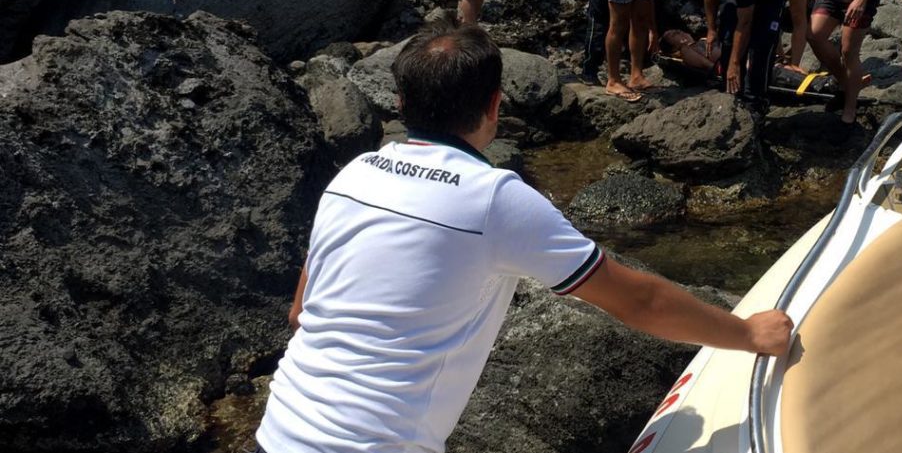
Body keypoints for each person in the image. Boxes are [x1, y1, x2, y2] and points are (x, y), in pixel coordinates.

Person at [254, 25, 794, 453]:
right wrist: (748, 334)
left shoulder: (354, 174)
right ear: (495, 105)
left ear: (400, 101)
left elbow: (301, 313)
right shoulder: (493, 197)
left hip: (276, 432)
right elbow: (639, 299)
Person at [696, 0, 789, 112]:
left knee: (759, 48)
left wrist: (735, 63)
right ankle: (730, 92)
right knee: (727, 39)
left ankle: (756, 103)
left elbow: (744, 24)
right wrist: (711, 29)